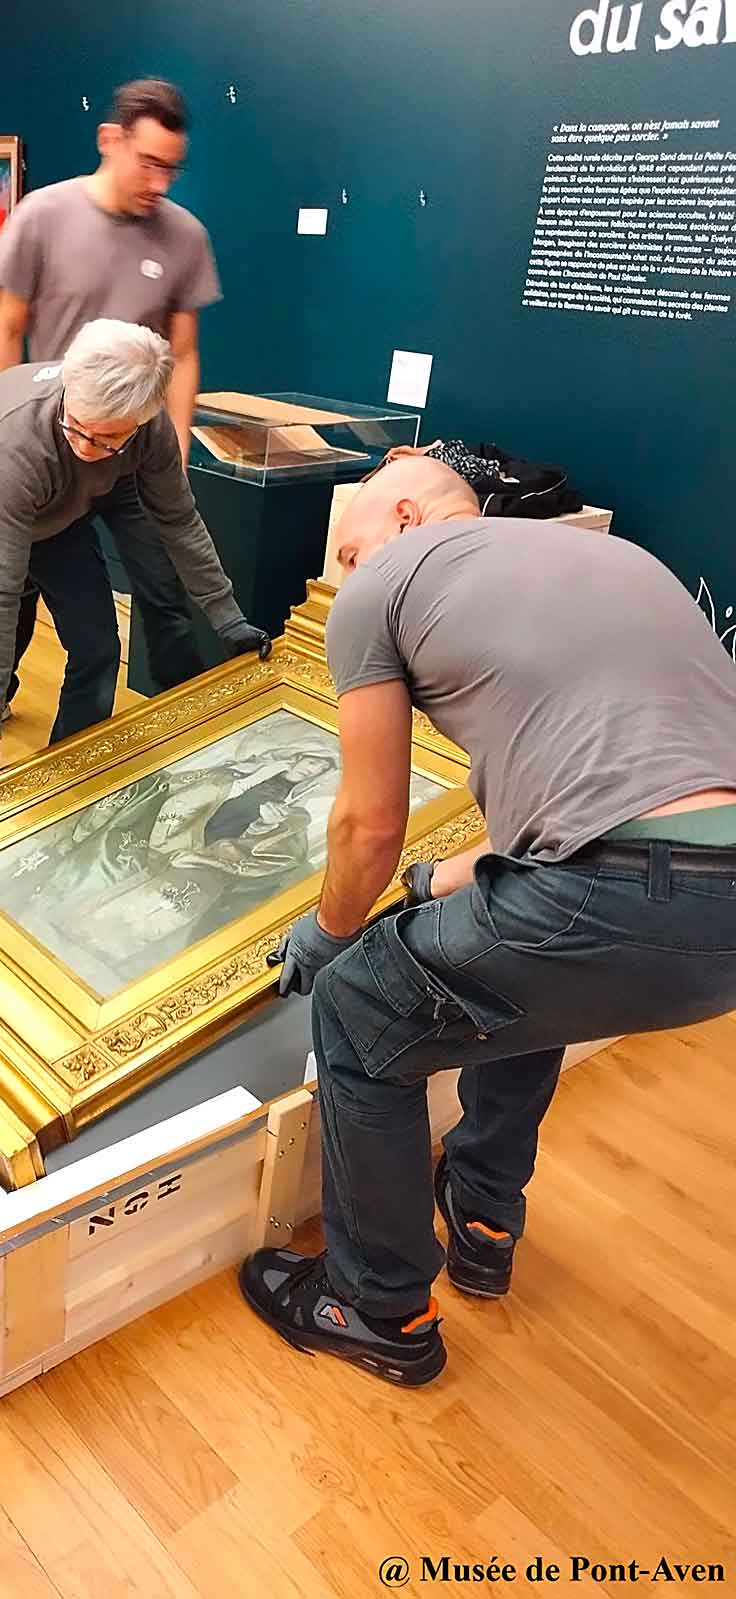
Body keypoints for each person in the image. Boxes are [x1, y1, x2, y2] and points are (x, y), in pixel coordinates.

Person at [240, 455, 736, 1386]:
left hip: (615, 889)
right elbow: (600, 802)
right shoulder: (615, 560)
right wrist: (441, 880)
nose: (343, 570)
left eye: (348, 552)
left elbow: (368, 824)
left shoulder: (384, 582)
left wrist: (330, 933)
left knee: (357, 1007)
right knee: (528, 982)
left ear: (402, 512)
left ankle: (378, 1307)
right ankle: (482, 1219)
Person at [0, 318, 268, 805]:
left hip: (60, 518)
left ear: (141, 420)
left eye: (107, 439)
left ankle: (65, 786)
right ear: (70, 390)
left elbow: (178, 521)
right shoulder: (17, 444)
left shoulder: (149, 430)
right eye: (77, 427)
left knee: (97, 648)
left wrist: (227, 617)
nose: (87, 447)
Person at [0, 77, 222, 741]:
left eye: (172, 169)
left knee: (162, 585)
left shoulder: (186, 236)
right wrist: (5, 428)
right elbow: (7, 327)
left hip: (132, 451)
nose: (159, 182)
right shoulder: (44, 215)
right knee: (15, 579)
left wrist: (177, 446)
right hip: (57, 444)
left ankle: (177, 720)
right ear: (111, 140)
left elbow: (183, 352)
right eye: (148, 163)